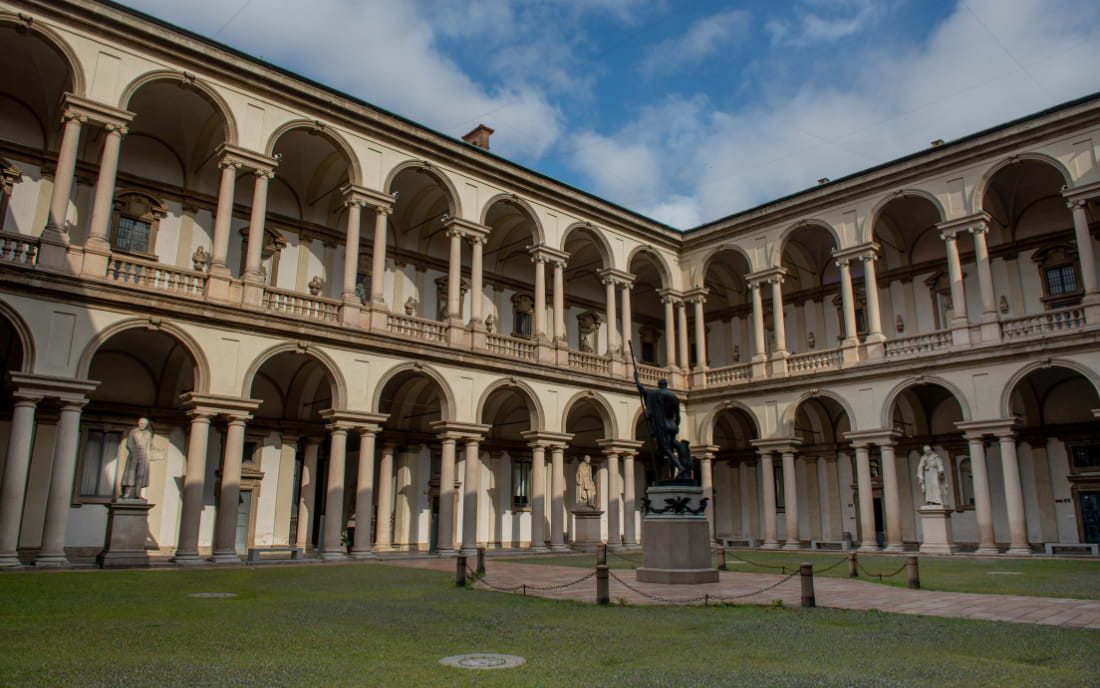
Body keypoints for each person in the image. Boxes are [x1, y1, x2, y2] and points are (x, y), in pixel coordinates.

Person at [634, 370, 691, 480]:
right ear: (666, 385)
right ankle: (672, 475)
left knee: (666, 449)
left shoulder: (656, 393)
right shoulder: (674, 397)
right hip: (673, 426)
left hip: (663, 426)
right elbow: (678, 416)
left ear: (659, 385)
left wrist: (636, 379)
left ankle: (680, 467)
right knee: (669, 449)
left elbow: (642, 390)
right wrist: (676, 426)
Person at [120, 418, 153, 500]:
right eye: (141, 423)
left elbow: (148, 446)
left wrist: (147, 456)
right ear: (138, 423)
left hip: (143, 457)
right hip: (134, 456)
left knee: (140, 475)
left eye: (144, 424)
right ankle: (127, 493)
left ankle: (138, 494)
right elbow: (129, 444)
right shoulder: (133, 432)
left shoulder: (148, 434)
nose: (142, 425)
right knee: (131, 474)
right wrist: (133, 451)